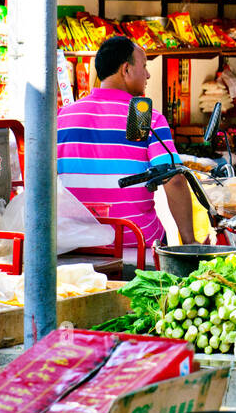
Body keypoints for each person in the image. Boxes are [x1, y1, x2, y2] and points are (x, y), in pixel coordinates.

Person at [57, 35, 197, 261]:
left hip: (73, 242)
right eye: (144, 66)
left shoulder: (64, 116)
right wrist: (190, 242)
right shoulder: (144, 116)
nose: (148, 74)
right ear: (126, 69)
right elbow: (174, 180)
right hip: (136, 241)